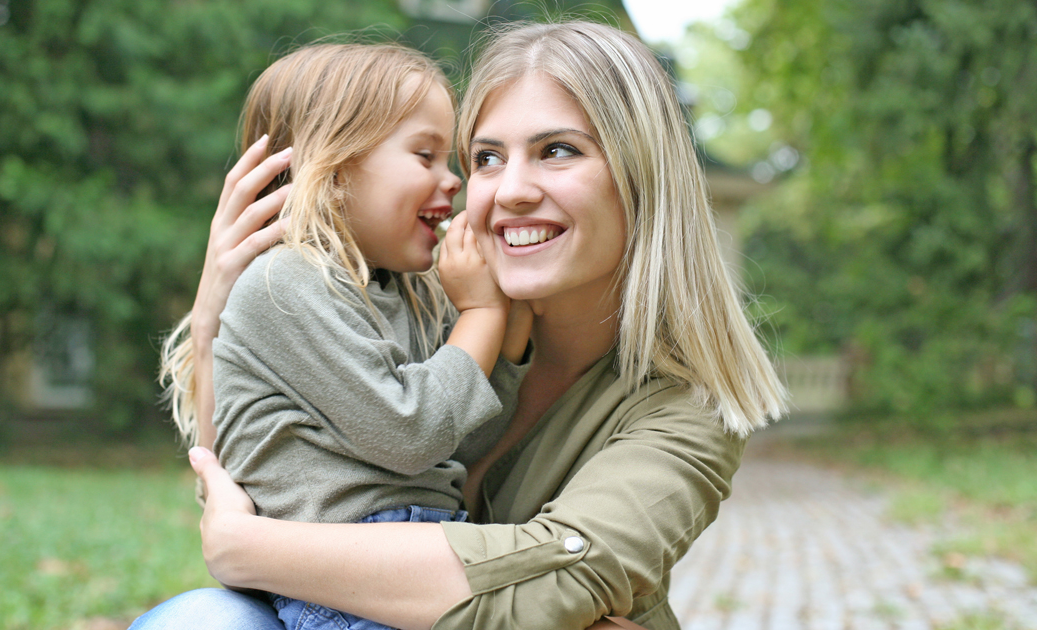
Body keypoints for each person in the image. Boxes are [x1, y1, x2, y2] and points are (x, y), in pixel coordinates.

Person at [135, 20, 786, 630]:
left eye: (557, 151)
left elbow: (565, 577)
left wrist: (252, 550)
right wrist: (213, 312)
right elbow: (254, 469)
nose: (510, 191)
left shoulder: (686, 409)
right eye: (486, 158)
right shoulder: (428, 297)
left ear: (642, 178)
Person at [155, 42, 533, 630]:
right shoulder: (286, 281)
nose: (453, 181)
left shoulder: (403, 291)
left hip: (416, 556)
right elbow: (412, 432)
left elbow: (461, 438)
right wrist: (483, 315)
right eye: (425, 155)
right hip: (344, 582)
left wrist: (510, 341)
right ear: (334, 169)